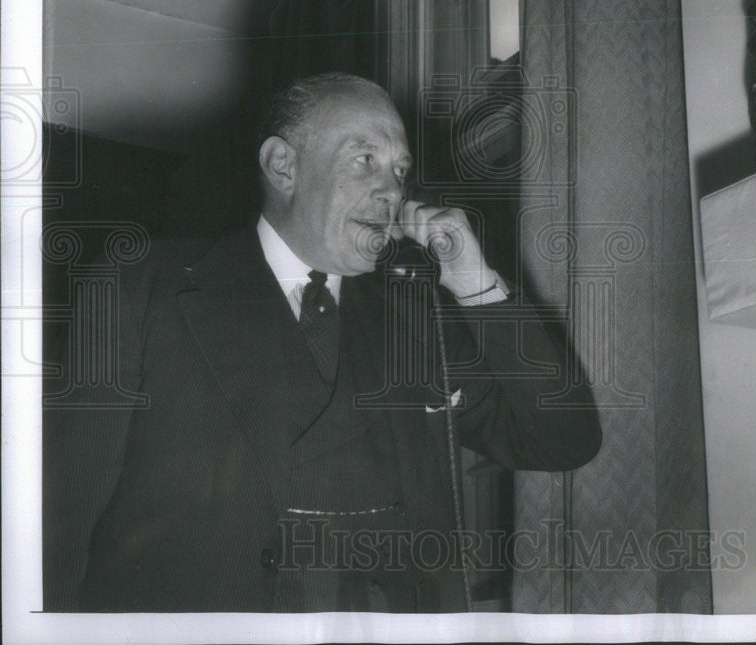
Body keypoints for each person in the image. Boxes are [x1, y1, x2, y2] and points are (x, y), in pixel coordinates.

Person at [43, 72, 602, 613]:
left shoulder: (414, 320)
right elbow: (61, 517)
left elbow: (562, 440)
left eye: (400, 170)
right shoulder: (144, 284)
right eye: (365, 160)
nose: (391, 190)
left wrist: (474, 283)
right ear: (283, 165)